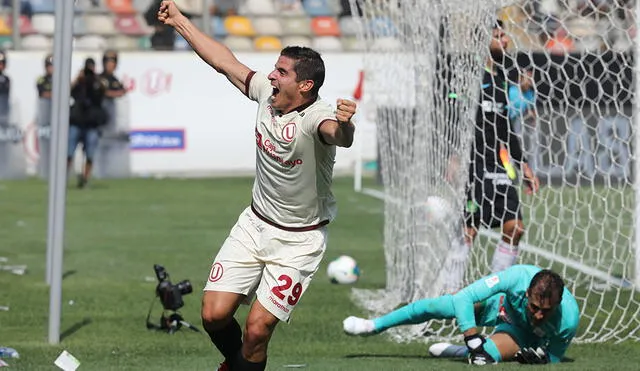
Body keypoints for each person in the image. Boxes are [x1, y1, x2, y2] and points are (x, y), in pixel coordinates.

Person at [156, 2, 357, 371]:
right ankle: (237, 365)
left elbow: (338, 136)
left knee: (257, 329)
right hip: (254, 224)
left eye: (282, 71)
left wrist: (346, 124)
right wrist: (180, 21)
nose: (272, 75)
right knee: (213, 315)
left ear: (305, 85)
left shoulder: (318, 117)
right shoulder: (268, 92)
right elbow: (224, 62)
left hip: (299, 240)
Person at [440, 20, 541, 293]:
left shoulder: (501, 79)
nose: (505, 41)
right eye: (498, 36)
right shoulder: (467, 77)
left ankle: (495, 291)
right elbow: (453, 118)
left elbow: (506, 128)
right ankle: (449, 292)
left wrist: (524, 166)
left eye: (505, 35)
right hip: (474, 164)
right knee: (468, 231)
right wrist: (454, 157)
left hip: (498, 164)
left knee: (515, 228)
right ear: (482, 40)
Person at [343, 265, 580, 365]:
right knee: (439, 307)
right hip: (499, 306)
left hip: (520, 334)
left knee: (485, 358)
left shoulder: (569, 319)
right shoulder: (517, 276)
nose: (539, 315)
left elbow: (555, 357)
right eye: (534, 306)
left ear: (558, 304)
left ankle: (459, 351)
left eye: (546, 311)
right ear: (526, 293)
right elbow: (463, 297)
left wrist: (541, 360)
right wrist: (471, 336)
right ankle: (373, 325)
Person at [68, 57, 108, 188]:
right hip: (77, 122)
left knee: (90, 154)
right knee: (68, 153)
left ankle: (85, 179)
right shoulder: (79, 83)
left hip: (91, 123)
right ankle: (63, 178)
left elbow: (103, 92)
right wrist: (78, 79)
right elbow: (69, 92)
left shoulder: (98, 82)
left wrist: (95, 80)